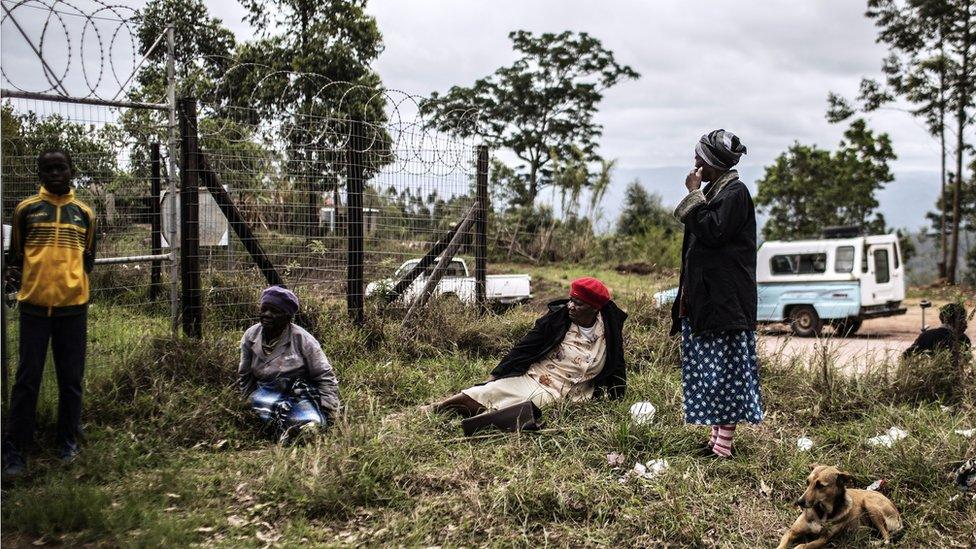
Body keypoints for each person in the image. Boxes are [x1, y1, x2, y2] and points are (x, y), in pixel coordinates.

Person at [2, 149, 97, 477]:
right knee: (27, 379)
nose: (56, 173)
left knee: (71, 381)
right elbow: (15, 258)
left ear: (72, 170)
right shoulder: (25, 210)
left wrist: (74, 289)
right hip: (34, 309)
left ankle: (67, 441)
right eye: (48, 169)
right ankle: (15, 448)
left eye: (61, 168)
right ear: (39, 174)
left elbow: (88, 260)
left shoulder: (84, 213)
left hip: (73, 310)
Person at [670, 129, 763, 458]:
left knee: (722, 375)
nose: (695, 163)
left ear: (712, 163)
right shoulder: (718, 192)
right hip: (709, 301)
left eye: (699, 158)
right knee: (711, 374)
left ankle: (723, 447)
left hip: (725, 302)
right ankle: (715, 441)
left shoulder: (734, 193)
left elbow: (712, 232)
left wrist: (694, 194)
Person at [430, 277, 627, 417]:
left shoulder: (608, 328)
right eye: (570, 300)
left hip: (574, 395)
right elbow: (525, 347)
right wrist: (496, 374)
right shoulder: (557, 320)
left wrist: (617, 399)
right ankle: (437, 408)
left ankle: (489, 419)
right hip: (540, 380)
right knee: (488, 392)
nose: (570, 306)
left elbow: (617, 363)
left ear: (594, 308)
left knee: (527, 408)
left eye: (578, 303)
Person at [238, 286, 340, 443]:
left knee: (311, 420)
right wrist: (248, 403)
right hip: (267, 392)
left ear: (287, 317)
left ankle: (309, 424)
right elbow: (245, 375)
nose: (267, 315)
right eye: (264, 309)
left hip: (300, 390)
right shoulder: (251, 336)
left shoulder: (303, 340)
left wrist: (328, 409)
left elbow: (324, 376)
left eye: (274, 311)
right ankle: (293, 429)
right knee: (270, 405)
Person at [902, 303, 971, 358]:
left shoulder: (927, 335)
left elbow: (906, 356)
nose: (965, 322)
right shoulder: (964, 339)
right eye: (962, 319)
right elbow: (966, 361)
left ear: (942, 318)